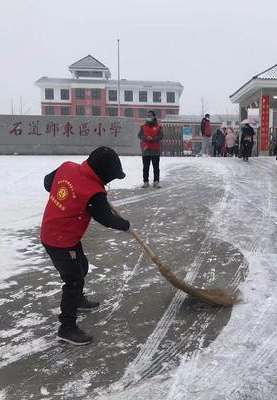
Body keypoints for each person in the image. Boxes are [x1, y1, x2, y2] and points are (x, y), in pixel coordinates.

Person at [40, 146, 131, 345]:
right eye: (111, 177)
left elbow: (48, 183)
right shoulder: (93, 193)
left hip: (57, 232)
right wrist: (126, 225)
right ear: (104, 173)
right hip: (61, 241)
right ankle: (67, 328)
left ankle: (78, 300)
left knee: (82, 265)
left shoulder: (67, 167)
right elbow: (107, 219)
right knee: (73, 280)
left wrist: (68, 194)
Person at [138, 110, 163, 188]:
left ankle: (156, 181)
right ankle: (146, 182)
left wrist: (153, 138)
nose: (148, 117)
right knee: (146, 167)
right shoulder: (143, 126)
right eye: (147, 115)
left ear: (154, 116)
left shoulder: (159, 126)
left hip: (155, 149)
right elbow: (139, 135)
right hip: (146, 150)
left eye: (150, 115)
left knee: (156, 167)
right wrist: (146, 138)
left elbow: (161, 136)